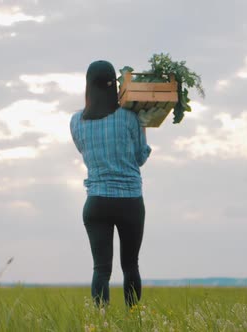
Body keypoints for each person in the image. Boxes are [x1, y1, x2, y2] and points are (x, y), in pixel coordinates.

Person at [70, 60, 152, 307]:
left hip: (96, 202)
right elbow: (140, 157)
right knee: (130, 265)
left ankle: (100, 322)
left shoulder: (76, 122)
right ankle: (133, 320)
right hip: (129, 201)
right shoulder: (129, 118)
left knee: (101, 269)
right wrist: (144, 125)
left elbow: (84, 152)